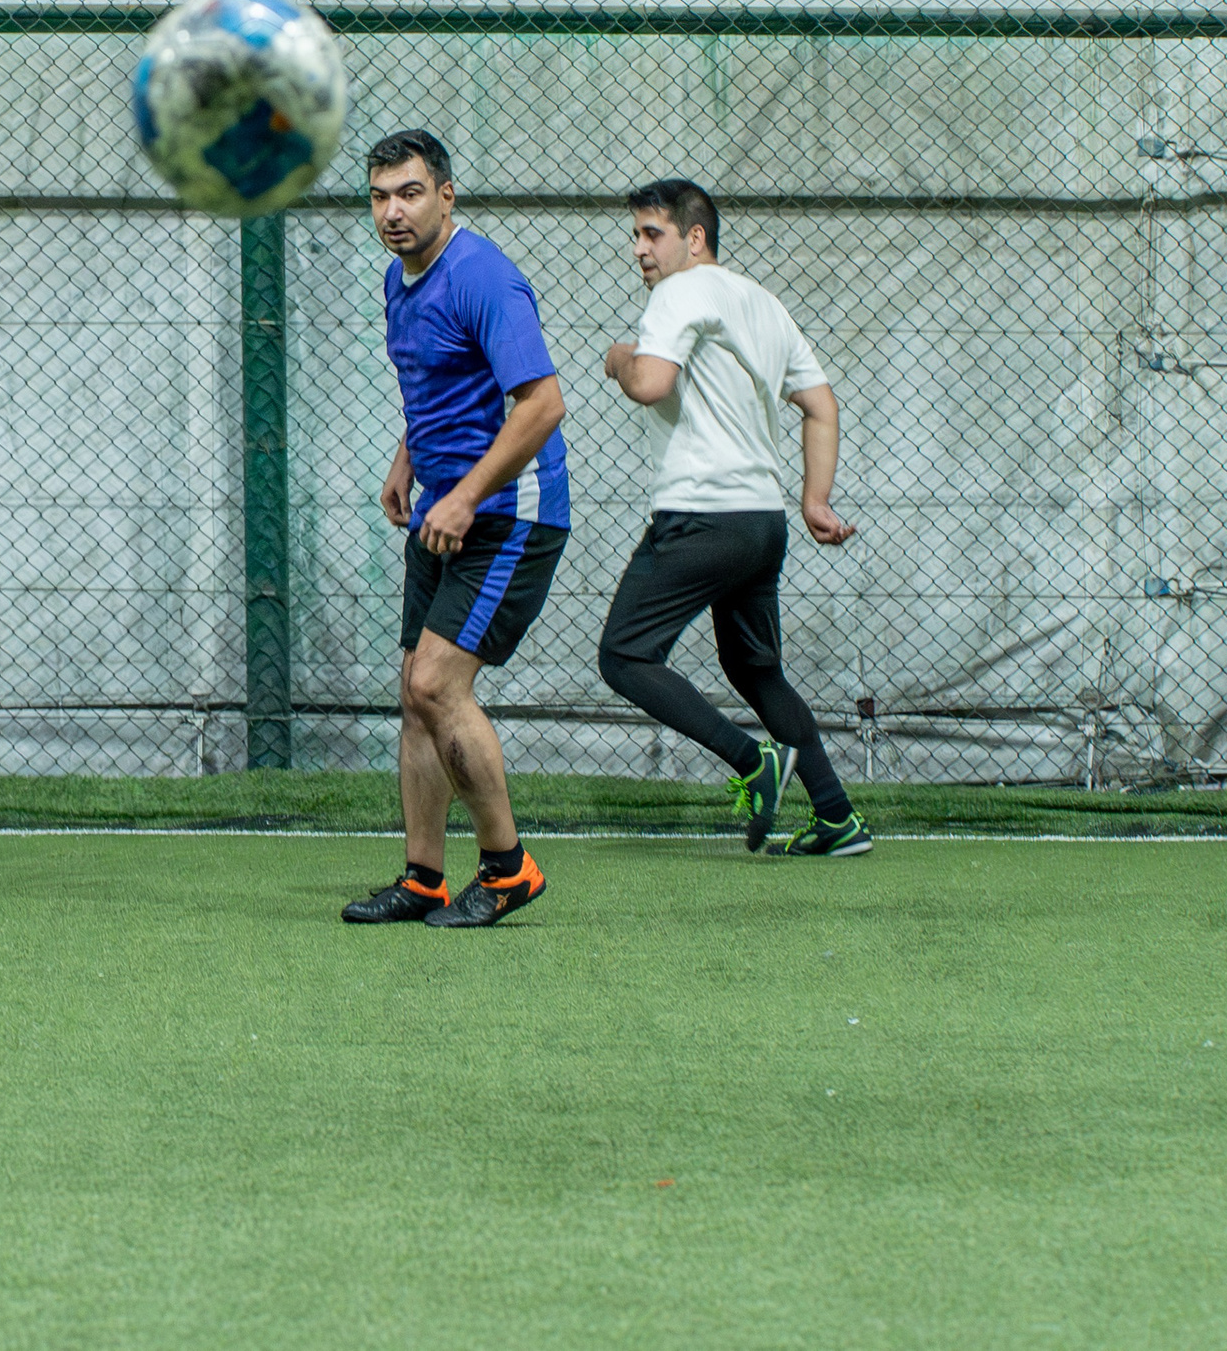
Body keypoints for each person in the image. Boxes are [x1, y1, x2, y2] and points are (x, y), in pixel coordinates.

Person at [597, 178, 869, 855]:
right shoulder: (764, 304)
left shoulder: (679, 291)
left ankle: (753, 761)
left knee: (624, 654)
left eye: (652, 234)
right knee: (755, 670)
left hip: (701, 515)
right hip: (761, 525)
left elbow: (650, 383)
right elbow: (821, 405)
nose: (639, 249)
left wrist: (619, 359)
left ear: (695, 238)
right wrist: (814, 500)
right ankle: (836, 817)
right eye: (635, 236)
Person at [341, 131, 570, 927]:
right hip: (444, 507)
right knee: (415, 693)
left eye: (409, 193)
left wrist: (468, 495)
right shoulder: (399, 279)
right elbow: (439, 385)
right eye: (379, 196)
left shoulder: (482, 276)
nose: (392, 211)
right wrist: (406, 460)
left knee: (438, 684)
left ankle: (508, 869)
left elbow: (542, 404)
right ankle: (424, 878)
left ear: (446, 195)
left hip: (508, 512)